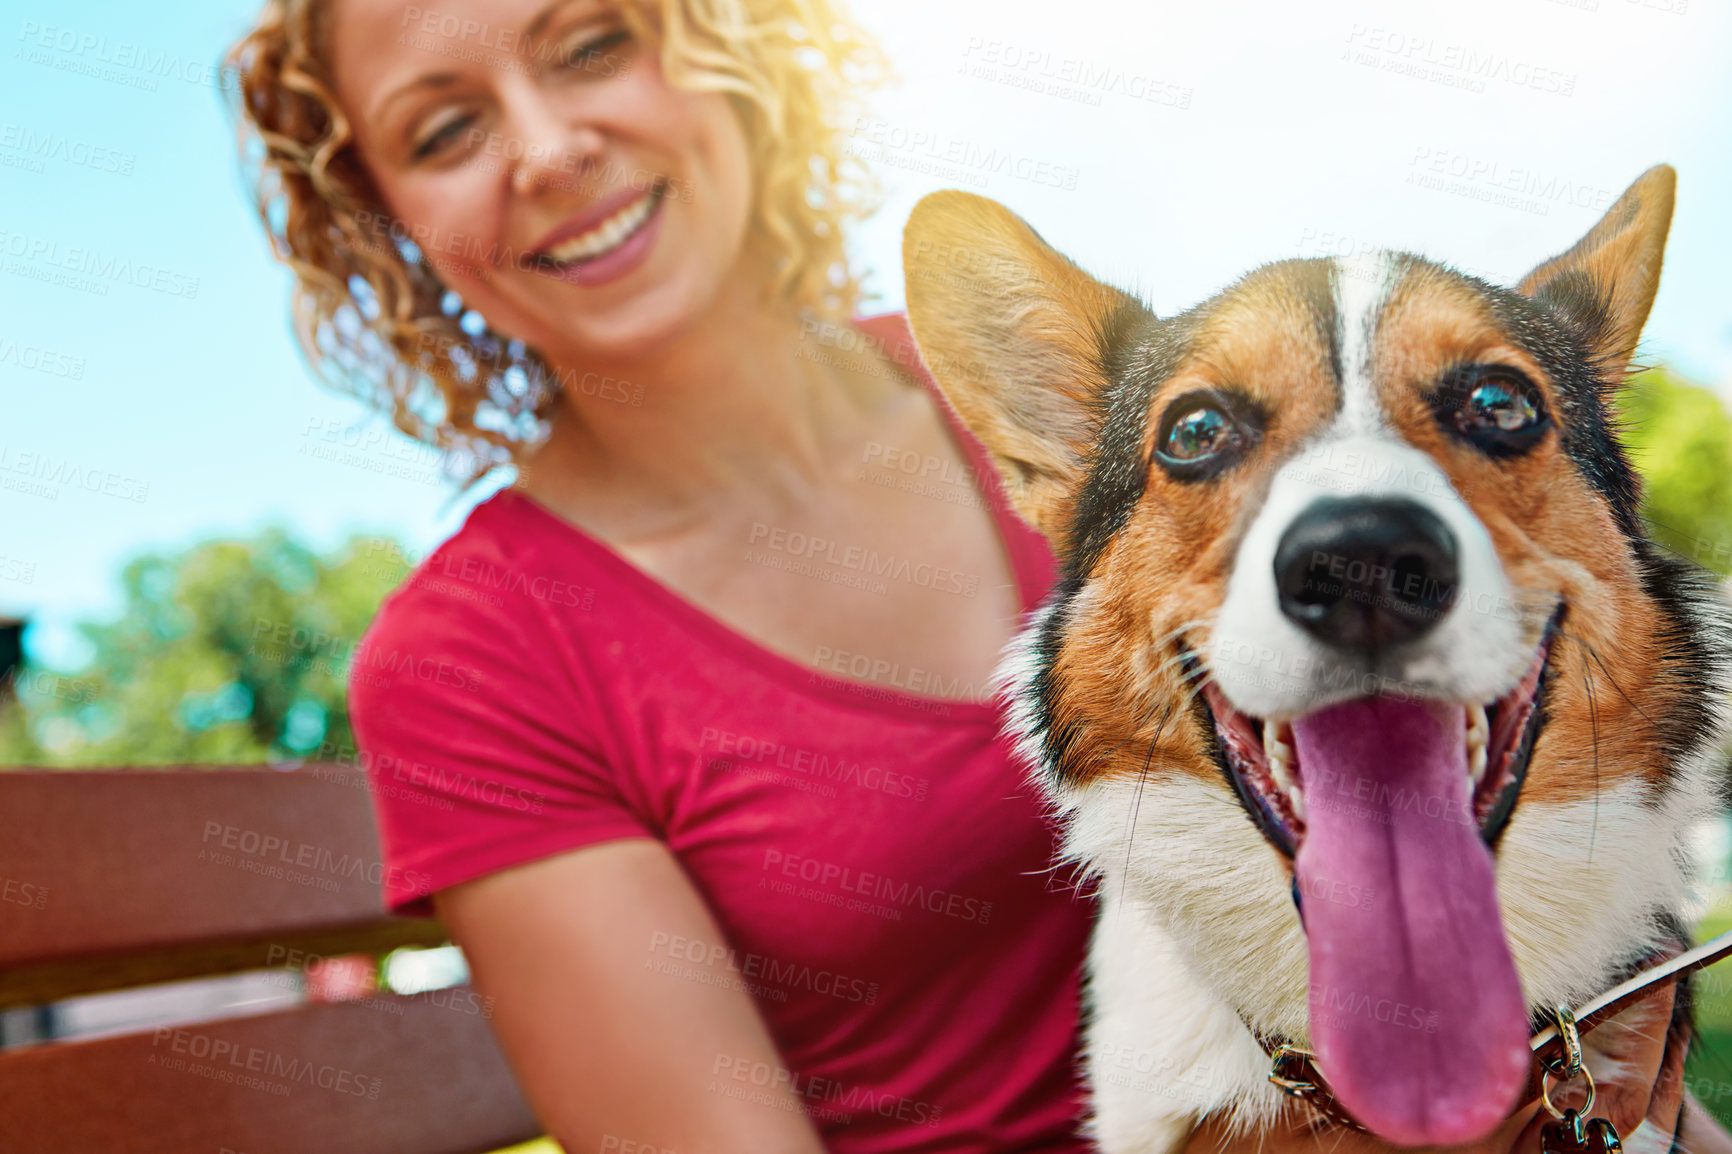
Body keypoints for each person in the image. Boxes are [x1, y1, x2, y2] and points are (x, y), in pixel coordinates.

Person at [223, 0, 1717, 1151]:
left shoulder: (1103, 399)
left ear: (724, 52)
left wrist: (1618, 972)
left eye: (594, 42)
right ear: (387, 227)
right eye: (442, 129)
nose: (547, 147)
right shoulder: (481, 655)